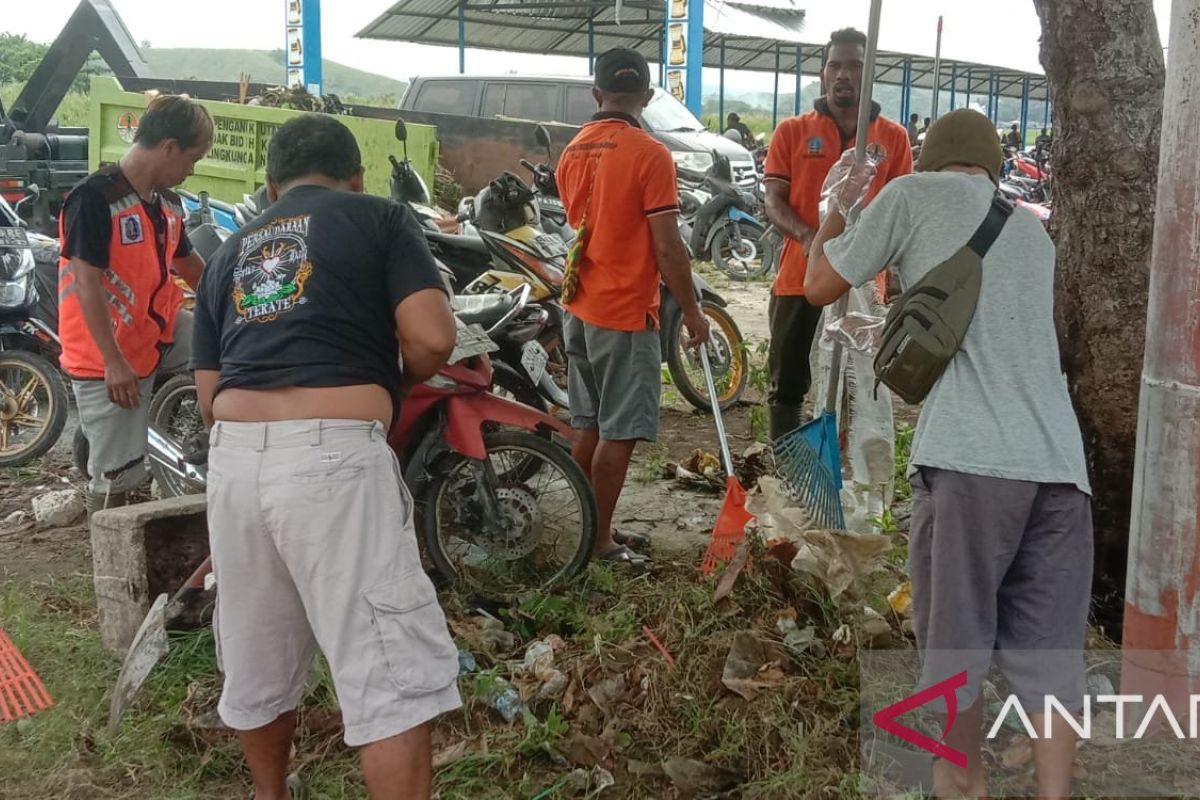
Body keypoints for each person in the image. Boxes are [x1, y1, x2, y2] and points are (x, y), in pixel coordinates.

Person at [805, 108, 1092, 800]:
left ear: (930, 160)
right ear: (994, 168)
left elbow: (817, 284)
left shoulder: (908, 195)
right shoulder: (1031, 231)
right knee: (1050, 658)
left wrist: (837, 207)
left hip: (969, 463)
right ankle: (1056, 791)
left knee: (956, 647)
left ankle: (961, 779)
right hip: (1060, 469)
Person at [191, 114, 461, 800]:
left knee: (258, 656)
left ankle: (269, 795)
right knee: (389, 675)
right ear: (357, 177)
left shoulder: (229, 251)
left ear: (271, 187)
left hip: (236, 467)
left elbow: (207, 391)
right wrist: (374, 379)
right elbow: (431, 339)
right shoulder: (379, 217)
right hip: (332, 464)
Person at [557, 47, 710, 571]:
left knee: (589, 426)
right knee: (618, 431)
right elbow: (668, 247)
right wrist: (692, 311)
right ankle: (598, 546)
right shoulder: (649, 153)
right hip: (623, 312)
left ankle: (585, 529)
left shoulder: (572, 150)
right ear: (646, 97)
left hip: (577, 305)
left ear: (596, 93)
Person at [58, 94, 212, 512]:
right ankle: (113, 567)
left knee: (232, 346)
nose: (191, 170)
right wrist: (112, 361)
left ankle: (204, 431)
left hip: (159, 330)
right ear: (168, 148)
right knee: (116, 479)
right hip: (104, 351)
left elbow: (188, 262)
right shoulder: (94, 200)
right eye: (192, 159)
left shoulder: (168, 204)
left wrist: (233, 306)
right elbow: (86, 282)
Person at [761, 27, 912, 441]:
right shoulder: (792, 131)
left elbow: (902, 210)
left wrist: (895, 275)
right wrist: (810, 238)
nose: (843, 74)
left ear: (869, 73)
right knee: (789, 383)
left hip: (864, 287)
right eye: (835, 65)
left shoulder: (893, 138)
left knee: (856, 384)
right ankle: (790, 472)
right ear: (823, 73)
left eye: (854, 66)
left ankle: (843, 477)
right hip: (799, 280)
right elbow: (773, 200)